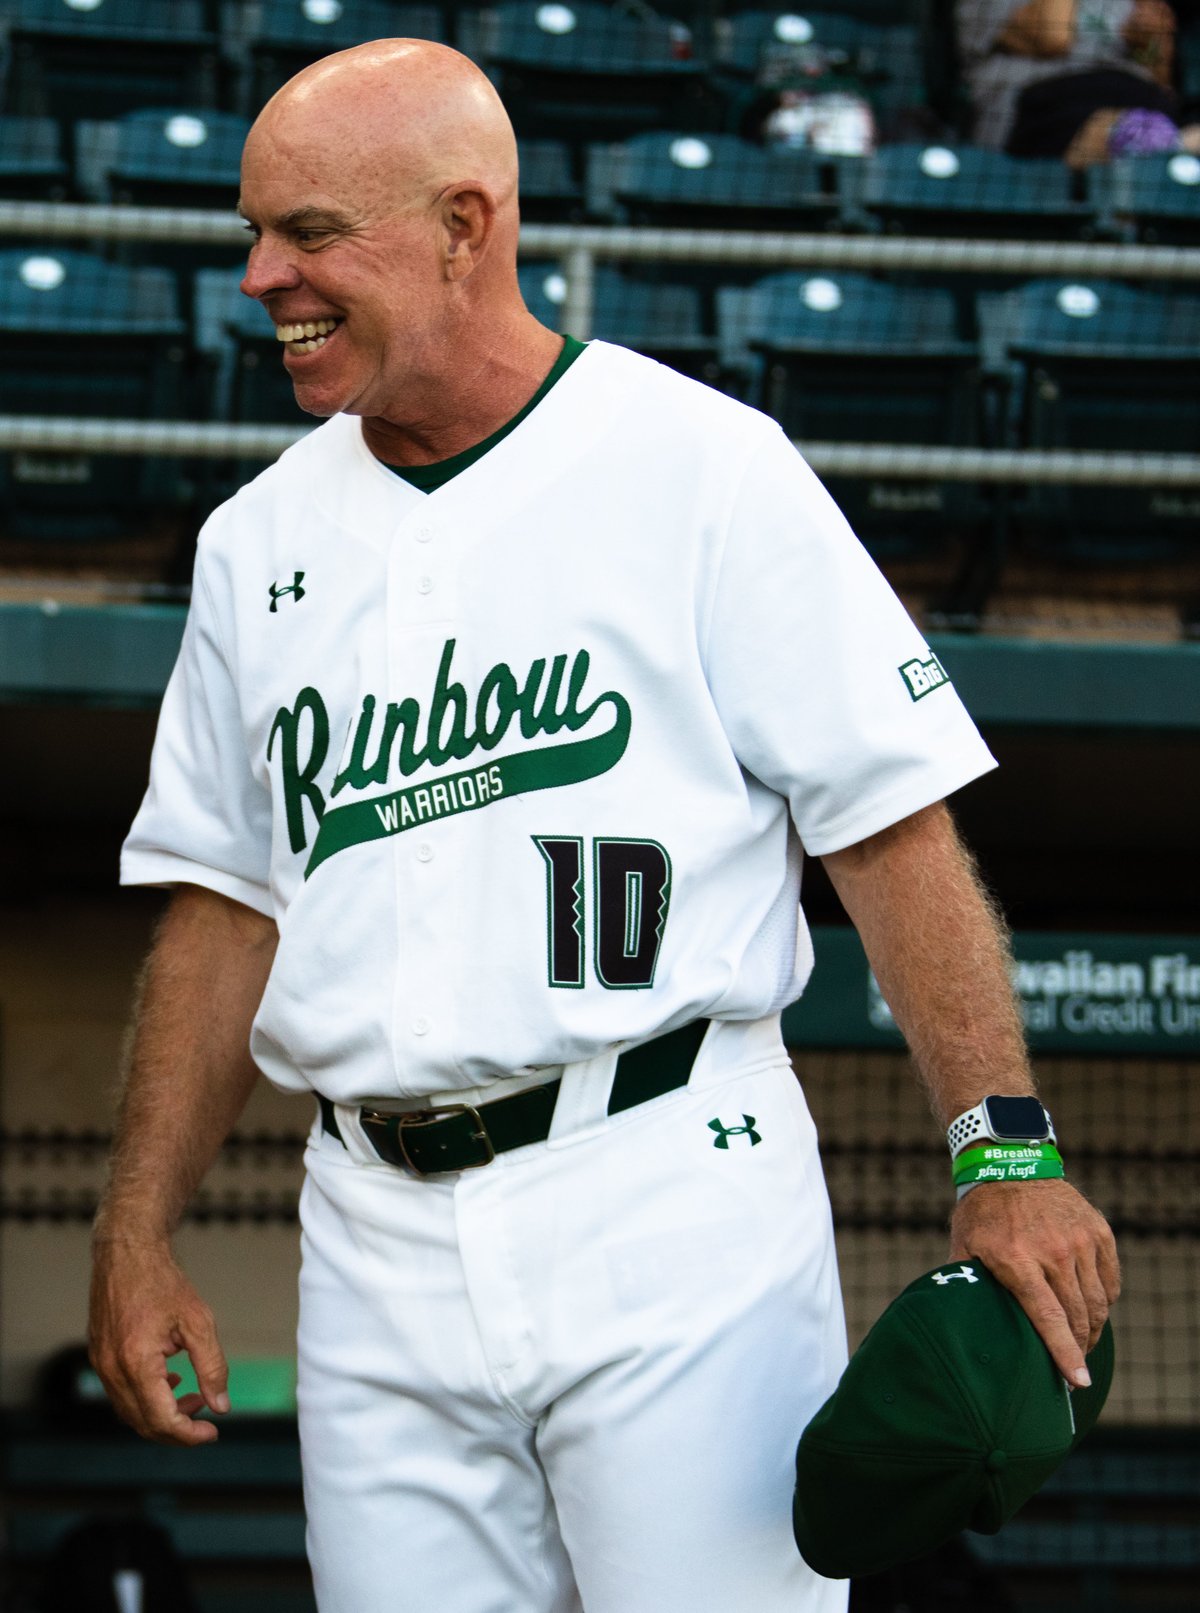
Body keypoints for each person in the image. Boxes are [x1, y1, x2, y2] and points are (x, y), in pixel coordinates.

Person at [88, 38, 1120, 1613]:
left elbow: (890, 832)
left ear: (463, 224)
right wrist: (137, 1224)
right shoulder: (254, 543)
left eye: (307, 234)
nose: (258, 276)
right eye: (253, 231)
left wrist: (1005, 1144)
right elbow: (226, 908)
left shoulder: (700, 465)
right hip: (371, 1231)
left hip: (665, 1183)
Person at [957, 0, 1200, 165]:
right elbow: (1052, 38)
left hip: (1137, 100)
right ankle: (1162, 146)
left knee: (1156, 110)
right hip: (1041, 108)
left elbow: (1160, 81)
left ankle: (1154, 141)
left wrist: (1148, 43)